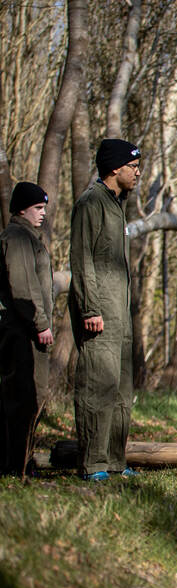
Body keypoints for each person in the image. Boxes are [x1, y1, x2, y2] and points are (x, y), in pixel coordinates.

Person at [70, 140, 141, 480]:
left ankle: (115, 461)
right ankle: (93, 464)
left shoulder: (116, 205)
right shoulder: (91, 203)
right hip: (98, 313)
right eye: (133, 166)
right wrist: (89, 308)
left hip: (120, 315)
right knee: (97, 385)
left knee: (121, 390)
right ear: (114, 168)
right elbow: (81, 258)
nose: (138, 171)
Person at [0, 183, 54, 475]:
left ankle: (23, 461)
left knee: (33, 398)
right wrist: (41, 324)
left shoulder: (30, 237)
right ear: (22, 209)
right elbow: (23, 287)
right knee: (22, 399)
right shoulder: (18, 238)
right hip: (21, 333)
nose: (43, 214)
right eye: (38, 208)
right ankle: (15, 467)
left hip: (29, 331)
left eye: (44, 208)